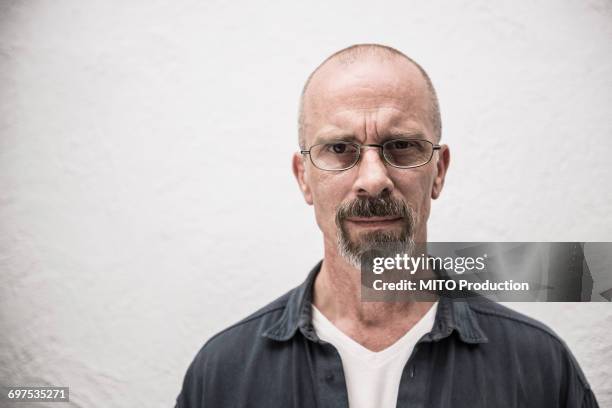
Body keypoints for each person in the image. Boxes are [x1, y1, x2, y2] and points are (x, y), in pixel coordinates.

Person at [175, 44, 599, 407]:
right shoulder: (222, 375)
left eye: (401, 146)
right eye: (340, 148)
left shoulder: (539, 366)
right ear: (304, 177)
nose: (373, 179)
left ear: (439, 171)